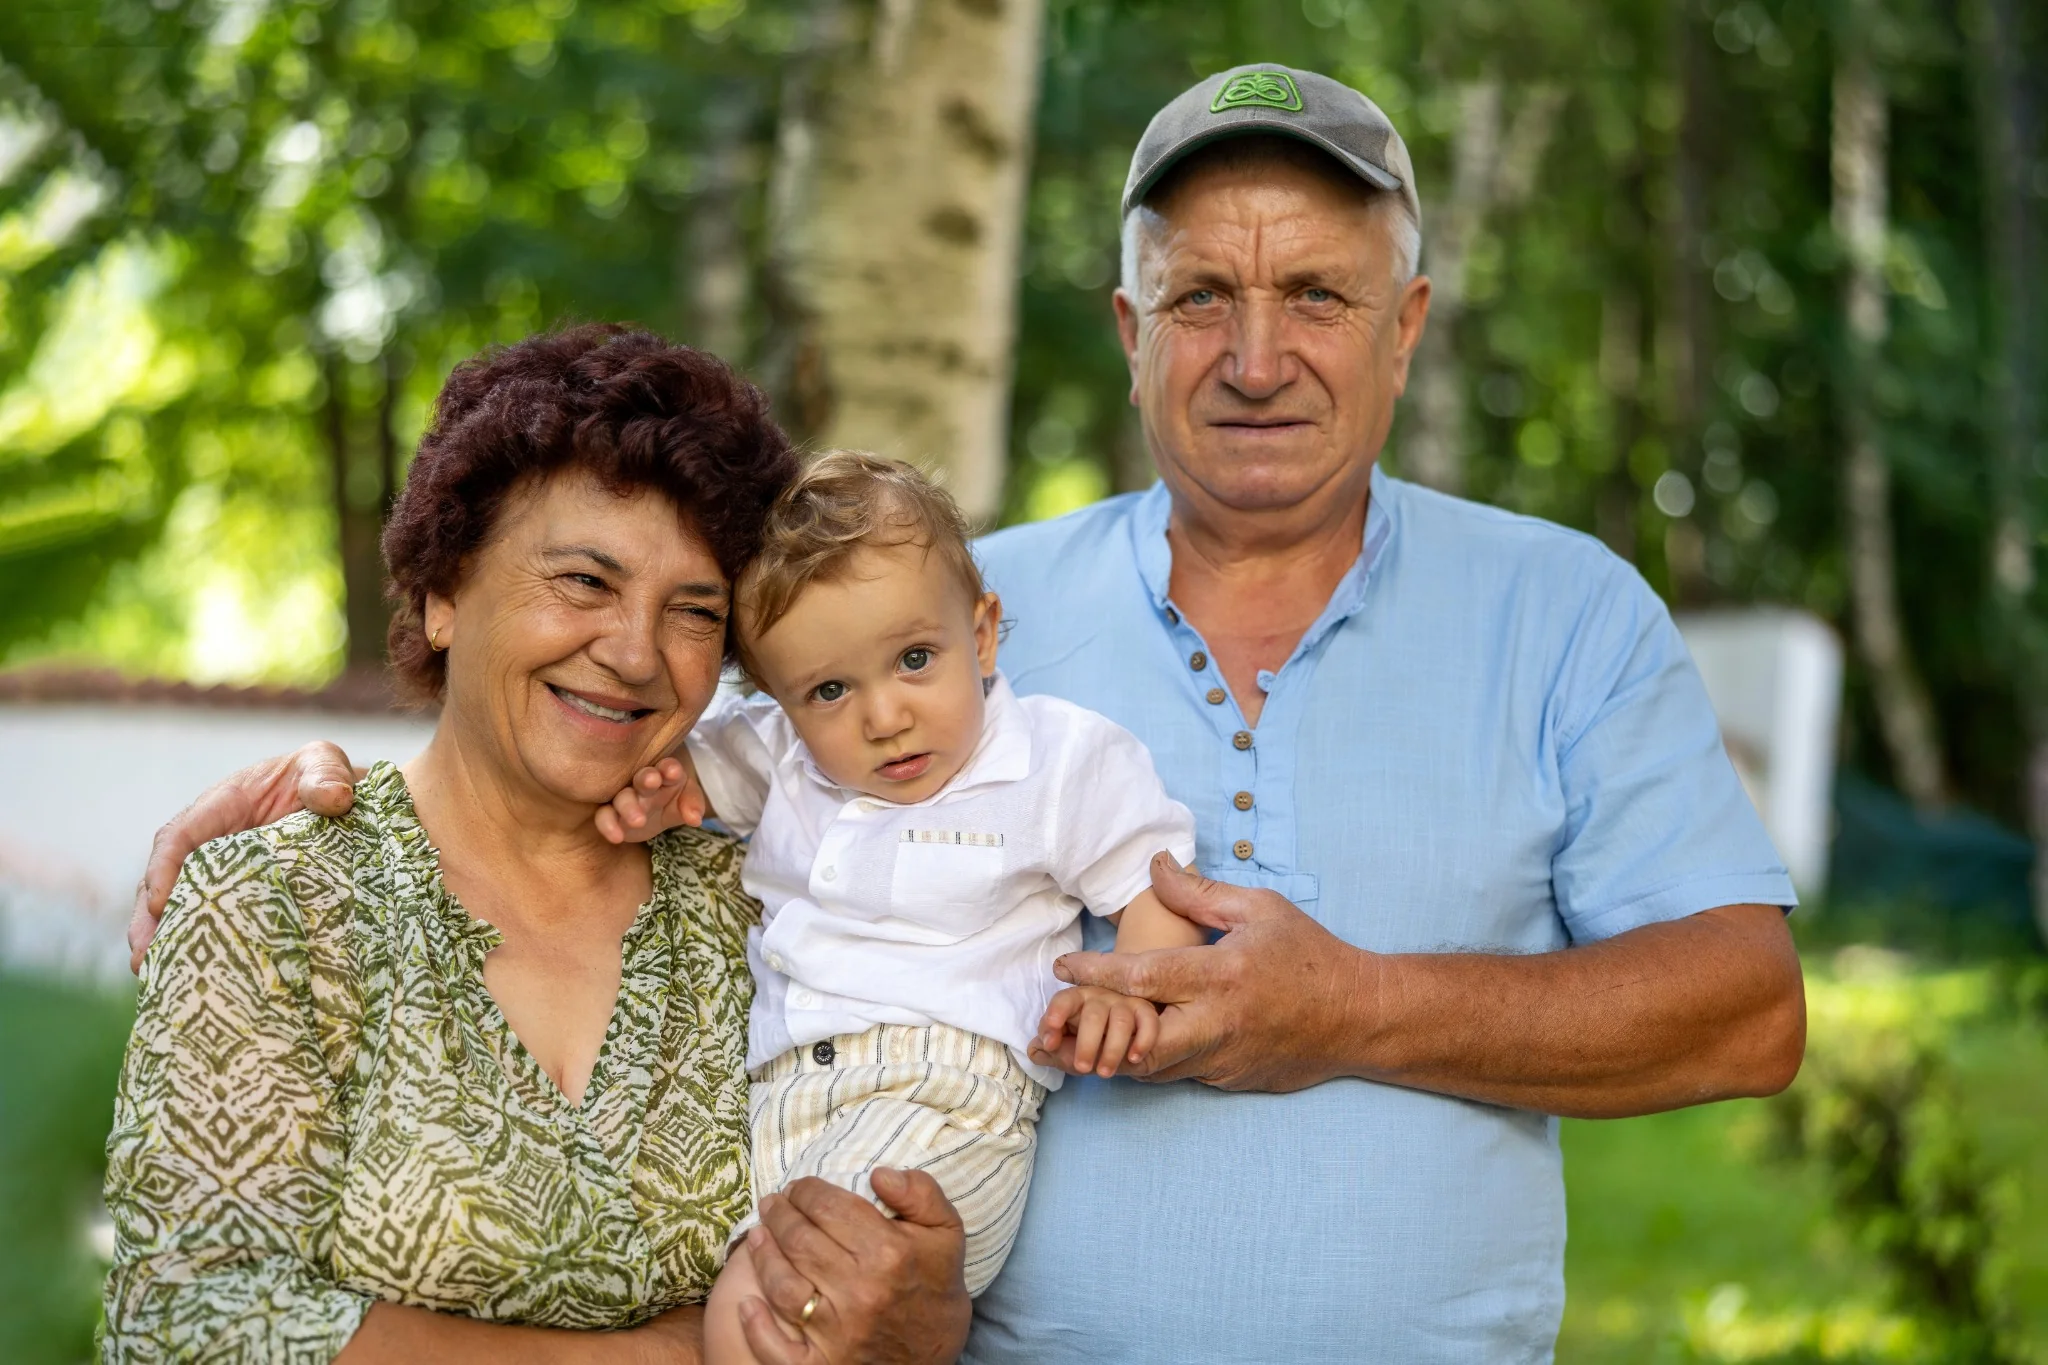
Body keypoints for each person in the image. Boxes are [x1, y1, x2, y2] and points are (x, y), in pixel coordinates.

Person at [129, 65, 1806, 1362]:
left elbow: (1746, 1012)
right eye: (1199, 297)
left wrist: (1351, 1008)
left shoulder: (1563, 613)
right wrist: (335, 799)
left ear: (1407, 325)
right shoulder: (937, 618)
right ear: (1128, 329)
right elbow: (630, 751)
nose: (1254, 355)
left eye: (1317, 293)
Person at [102, 326, 969, 1364]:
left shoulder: (773, 896)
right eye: (585, 582)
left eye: (694, 612)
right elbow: (184, 1322)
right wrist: (652, 1356)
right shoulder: (277, 903)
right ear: (444, 593)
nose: (636, 653)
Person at [653, 450, 1200, 1362]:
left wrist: (1121, 987)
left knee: (769, 1316)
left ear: (981, 635)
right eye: (830, 690)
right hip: (786, 1105)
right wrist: (655, 792)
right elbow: (676, 767)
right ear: (784, 704)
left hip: (944, 1101)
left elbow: (1156, 882)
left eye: (915, 659)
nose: (884, 716)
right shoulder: (786, 757)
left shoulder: (1052, 759)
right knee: (741, 1308)